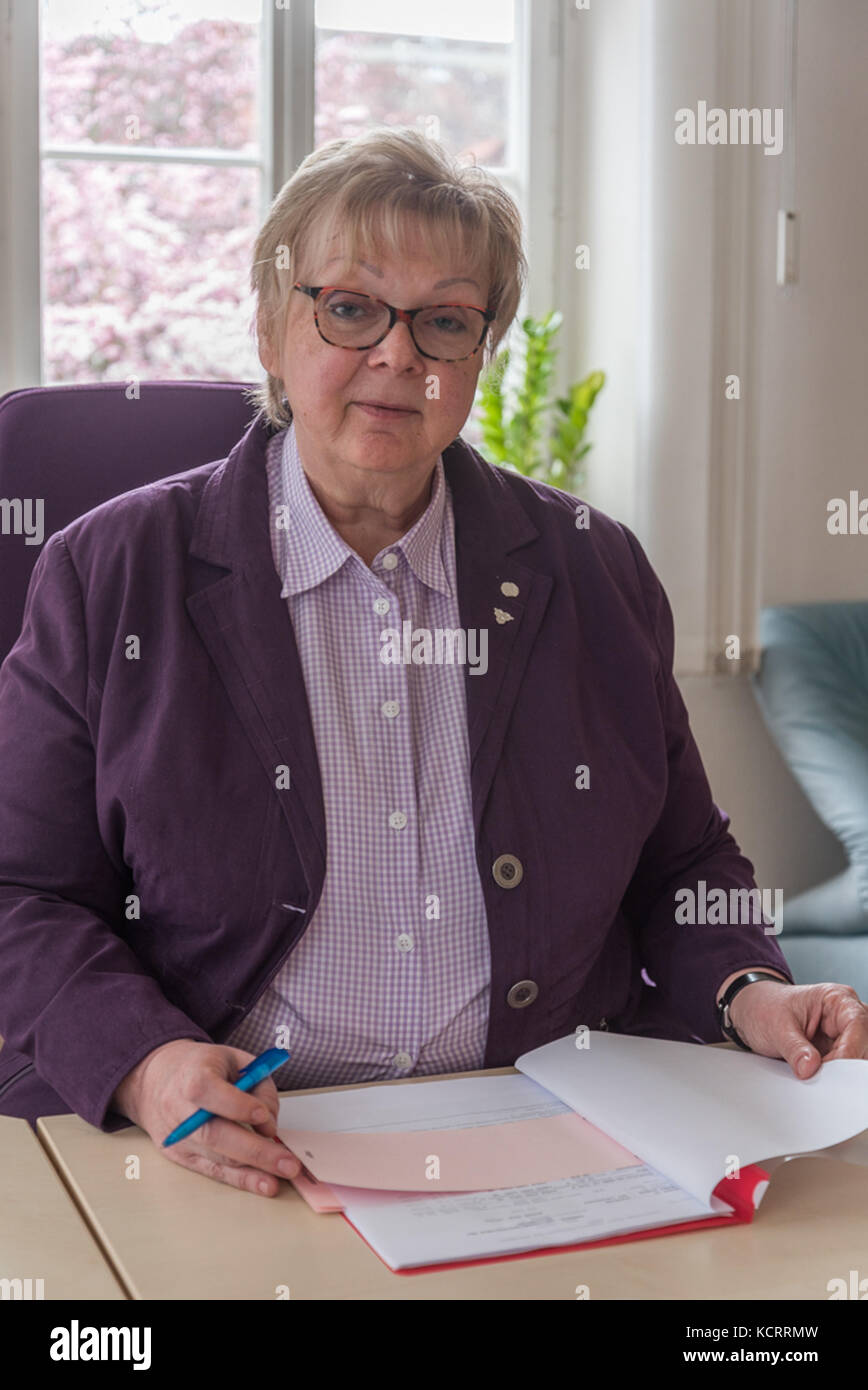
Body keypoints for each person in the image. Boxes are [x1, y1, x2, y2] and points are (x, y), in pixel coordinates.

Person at [1, 127, 865, 1201]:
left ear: (478, 355)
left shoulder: (591, 569)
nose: (398, 356)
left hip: (553, 1120)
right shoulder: (112, 572)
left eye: (445, 321)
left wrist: (748, 992)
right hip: (239, 1147)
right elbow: (21, 893)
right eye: (350, 307)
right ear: (272, 325)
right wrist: (144, 1063)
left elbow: (682, 862)